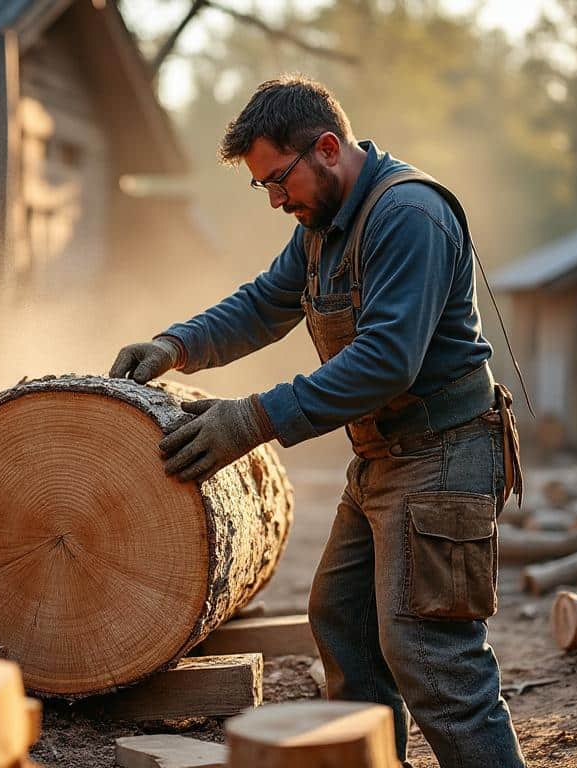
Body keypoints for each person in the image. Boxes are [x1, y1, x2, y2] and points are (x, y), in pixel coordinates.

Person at [108, 75, 527, 767]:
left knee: (430, 656)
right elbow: (262, 305)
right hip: (384, 458)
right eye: (262, 187)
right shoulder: (321, 228)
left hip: (443, 456)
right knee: (344, 621)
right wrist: (174, 345)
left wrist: (250, 420)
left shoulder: (407, 215)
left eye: (278, 179)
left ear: (327, 148)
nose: (274, 199)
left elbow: (386, 361)